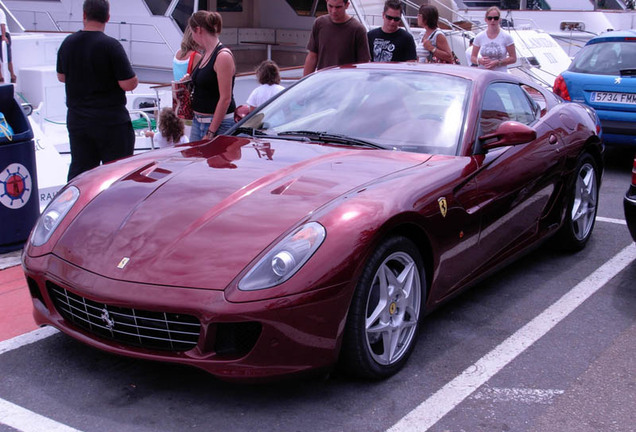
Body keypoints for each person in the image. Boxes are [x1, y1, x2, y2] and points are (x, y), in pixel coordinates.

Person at [56, 0, 138, 181]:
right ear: (107, 18)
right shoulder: (111, 46)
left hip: (79, 121)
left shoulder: (68, 43)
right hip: (111, 123)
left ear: (84, 15)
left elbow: (61, 77)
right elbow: (128, 84)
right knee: (118, 176)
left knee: (81, 174)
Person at [188, 10, 236, 141]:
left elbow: (225, 98)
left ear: (198, 30)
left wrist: (211, 132)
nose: (192, 37)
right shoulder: (206, 54)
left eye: (192, 32)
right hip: (199, 122)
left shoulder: (222, 56)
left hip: (216, 125)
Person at [303, 0, 370, 76]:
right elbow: (312, 56)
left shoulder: (358, 29)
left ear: (347, 5)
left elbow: (363, 64)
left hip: (346, 81)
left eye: (338, 7)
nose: (333, 11)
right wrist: (304, 82)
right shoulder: (319, 23)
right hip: (322, 80)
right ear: (326, 2)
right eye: (330, 6)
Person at [471, 6, 516, 72]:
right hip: (483, 73)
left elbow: (513, 58)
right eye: (490, 18)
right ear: (485, 20)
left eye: (496, 18)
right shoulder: (479, 37)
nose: (493, 20)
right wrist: (479, 60)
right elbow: (473, 57)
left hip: (500, 75)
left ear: (499, 20)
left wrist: (498, 63)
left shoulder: (507, 36)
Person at [0, 8, 17, 83]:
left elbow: (2, 24)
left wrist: (3, 36)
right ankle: (1, 78)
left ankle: (12, 76)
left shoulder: (0, 11)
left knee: (7, 58)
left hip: (3, 35)